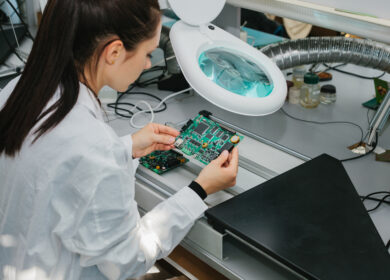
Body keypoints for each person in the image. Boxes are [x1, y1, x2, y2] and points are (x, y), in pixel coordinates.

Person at [0, 0, 239, 279]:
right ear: (113, 52)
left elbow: (58, 170)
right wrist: (199, 190)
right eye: (148, 53)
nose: (149, 63)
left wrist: (126, 147)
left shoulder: (17, 91)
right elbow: (126, 260)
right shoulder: (90, 144)